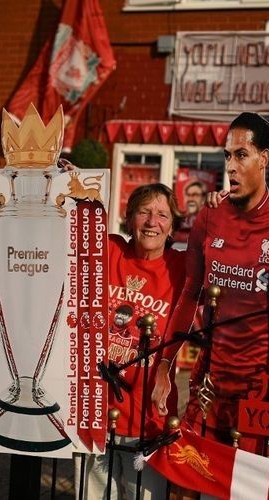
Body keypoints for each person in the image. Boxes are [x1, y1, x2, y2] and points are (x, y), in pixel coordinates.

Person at [151, 112, 269, 458]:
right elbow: (190, 294)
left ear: (265, 158)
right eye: (227, 156)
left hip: (263, 391)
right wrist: (164, 365)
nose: (231, 166)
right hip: (210, 385)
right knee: (187, 483)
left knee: (259, 487)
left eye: (241, 155)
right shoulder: (209, 217)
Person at [79, 183, 186, 500]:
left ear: (171, 227)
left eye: (162, 215)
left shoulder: (180, 267)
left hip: (148, 419)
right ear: (130, 220)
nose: (152, 222)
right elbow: (74, 226)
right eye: (144, 212)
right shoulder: (110, 250)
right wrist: (73, 182)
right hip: (95, 412)